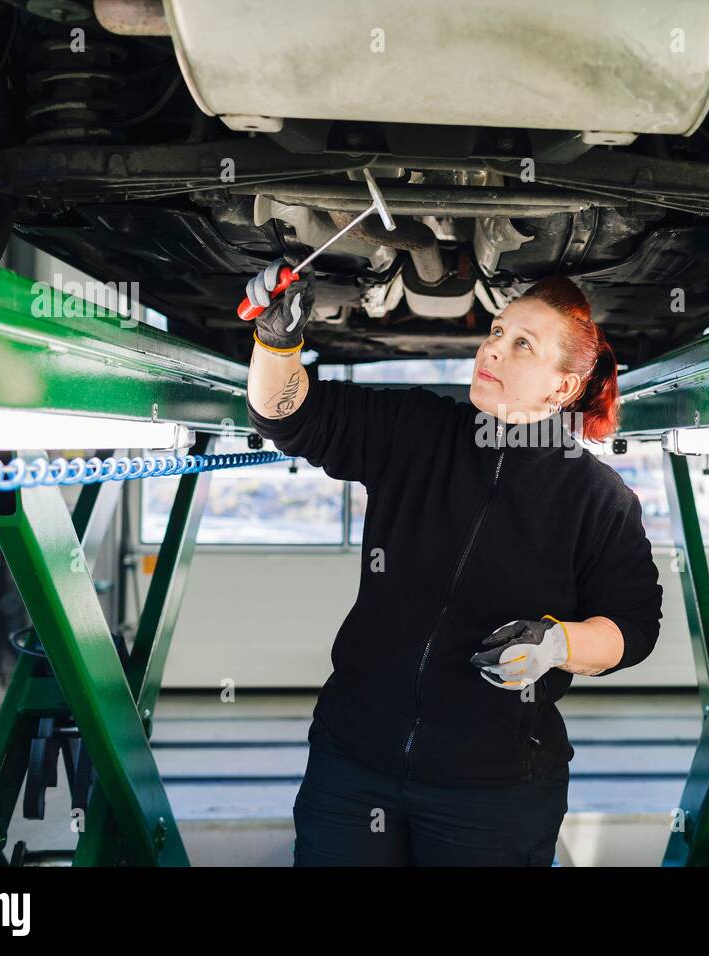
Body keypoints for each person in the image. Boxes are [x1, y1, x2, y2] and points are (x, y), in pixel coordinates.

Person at [243, 259, 663, 866]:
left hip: (495, 793)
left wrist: (558, 644)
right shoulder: (418, 430)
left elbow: (633, 627)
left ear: (563, 387)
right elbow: (289, 414)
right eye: (496, 332)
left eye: (523, 344)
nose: (493, 351)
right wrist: (277, 341)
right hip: (354, 764)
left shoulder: (599, 500)